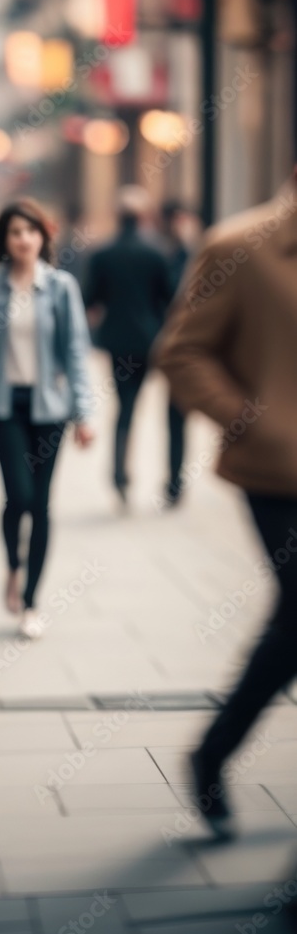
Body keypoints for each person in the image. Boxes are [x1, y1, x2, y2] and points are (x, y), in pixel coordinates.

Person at [155, 170, 297, 835]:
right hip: (279, 475)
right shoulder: (238, 245)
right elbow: (182, 353)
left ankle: (212, 753)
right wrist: (249, 421)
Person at [0, 198, 94, 641]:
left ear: (43, 237)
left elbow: (76, 351)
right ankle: (13, 569)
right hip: (4, 406)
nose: (24, 240)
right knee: (17, 496)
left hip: (49, 409)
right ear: (4, 240)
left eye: (32, 231)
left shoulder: (60, 287)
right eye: (15, 232)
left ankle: (32, 602)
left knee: (41, 504)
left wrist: (84, 412)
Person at [84, 186, 183, 505]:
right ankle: (174, 481)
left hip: (118, 342)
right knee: (173, 411)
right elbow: (170, 299)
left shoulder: (102, 254)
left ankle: (119, 475)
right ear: (142, 217)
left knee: (124, 409)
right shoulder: (156, 253)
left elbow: (91, 298)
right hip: (154, 339)